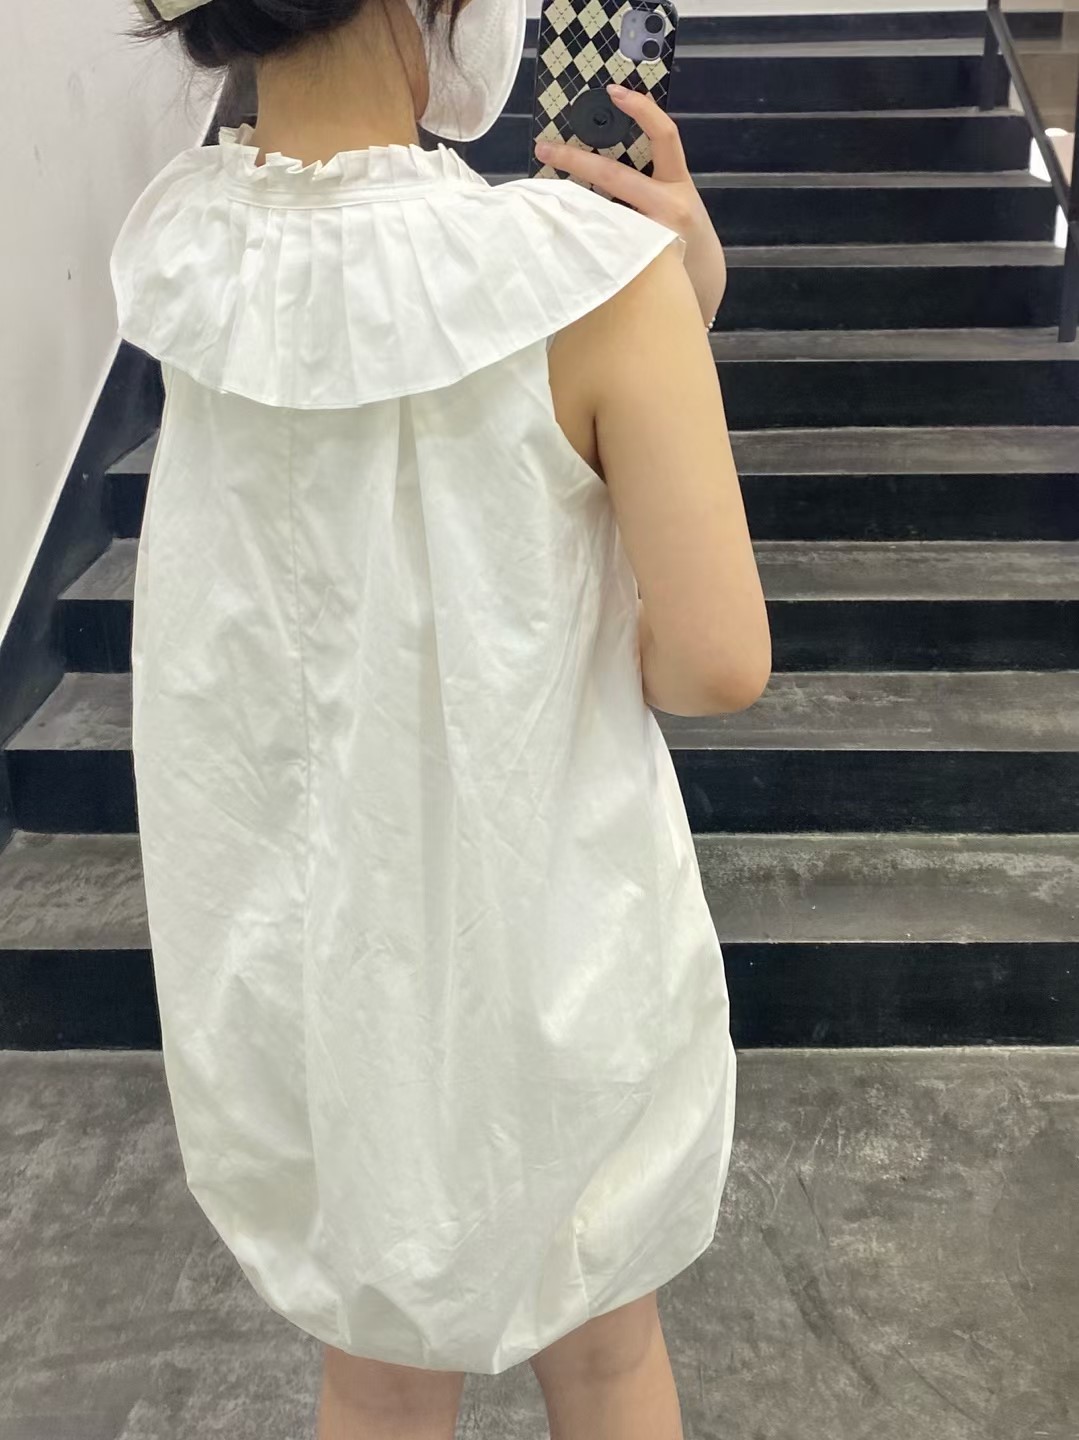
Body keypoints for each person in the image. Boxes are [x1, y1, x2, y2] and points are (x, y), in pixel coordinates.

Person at [111, 0, 771, 1435]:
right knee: (603, 1348)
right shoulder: (590, 274)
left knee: (381, 1368)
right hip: (551, 931)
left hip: (321, 961)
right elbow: (718, 659)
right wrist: (678, 295)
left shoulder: (193, 259)